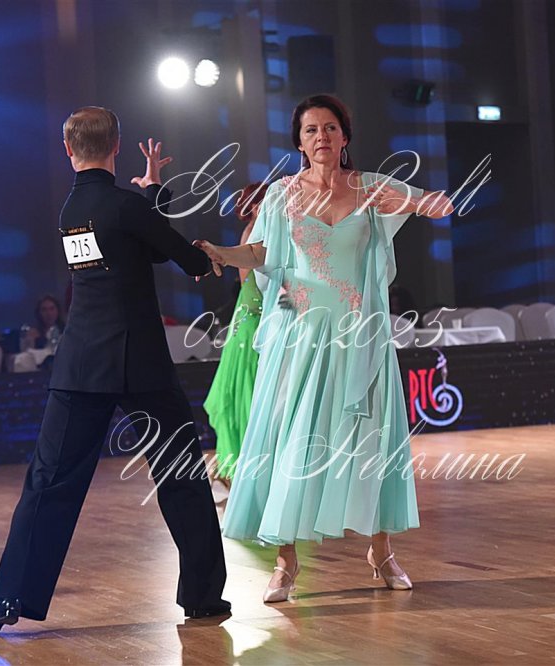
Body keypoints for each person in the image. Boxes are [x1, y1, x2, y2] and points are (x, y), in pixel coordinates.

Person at [0, 106, 229, 637]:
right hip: (140, 365)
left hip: (81, 364)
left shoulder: (71, 209)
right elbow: (184, 258)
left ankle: (7, 600)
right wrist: (170, 212)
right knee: (181, 475)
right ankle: (203, 599)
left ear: (68, 150)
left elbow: (137, 245)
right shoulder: (124, 205)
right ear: (117, 145)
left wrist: (150, 196)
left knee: (47, 483)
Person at [195, 94, 455, 602]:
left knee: (371, 442)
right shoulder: (282, 195)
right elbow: (263, 253)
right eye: (311, 130)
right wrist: (221, 253)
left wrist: (409, 202)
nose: (321, 137)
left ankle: (381, 551)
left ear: (345, 136)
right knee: (293, 442)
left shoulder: (371, 187)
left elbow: (442, 204)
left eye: (330, 128)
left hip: (360, 336)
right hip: (302, 338)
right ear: (299, 141)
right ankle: (285, 562)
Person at [203, 182, 268, 487]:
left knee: (248, 394)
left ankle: (235, 469)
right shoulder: (256, 233)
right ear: (254, 205)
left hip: (251, 317)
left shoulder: (260, 230)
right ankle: (241, 470)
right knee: (248, 395)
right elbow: (252, 286)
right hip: (253, 319)